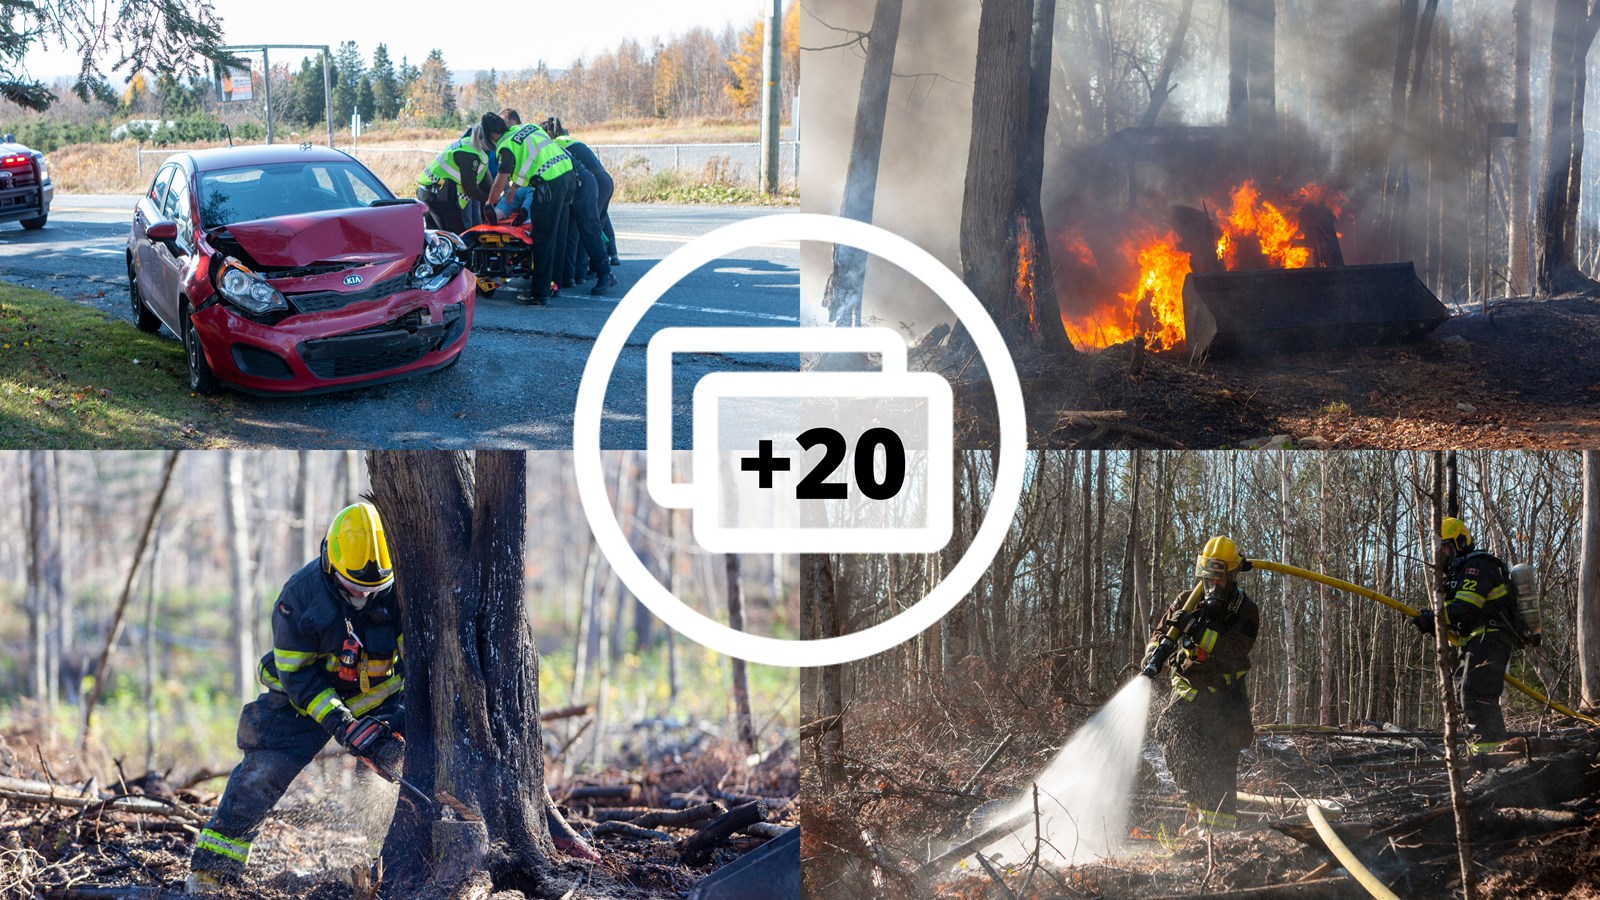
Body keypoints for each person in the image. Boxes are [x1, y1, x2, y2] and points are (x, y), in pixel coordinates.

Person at [187, 503, 406, 892]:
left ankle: (390, 865)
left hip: (377, 701)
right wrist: (341, 723)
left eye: (373, 591)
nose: (362, 597)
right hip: (302, 701)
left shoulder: (400, 591)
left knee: (395, 773)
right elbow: (296, 673)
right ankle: (212, 873)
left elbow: (417, 664)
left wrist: (394, 722)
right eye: (354, 588)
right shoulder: (300, 597)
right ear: (330, 563)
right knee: (261, 773)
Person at [1146, 536, 1260, 834]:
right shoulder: (1186, 601)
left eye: (1220, 578)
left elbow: (1235, 649)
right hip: (1187, 691)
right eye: (1208, 577)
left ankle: (1218, 836)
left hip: (1225, 698)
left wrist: (1197, 630)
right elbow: (1160, 635)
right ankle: (1195, 803)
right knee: (1171, 735)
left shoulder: (1245, 610)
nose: (1213, 585)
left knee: (1220, 762)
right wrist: (1153, 657)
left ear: (1233, 576)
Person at [1412, 517, 1517, 749]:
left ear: (1460, 542)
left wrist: (1433, 617)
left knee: (1476, 695)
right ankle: (1482, 754)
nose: (1444, 555)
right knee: (1466, 695)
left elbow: (1465, 608)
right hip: (1475, 641)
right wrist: (1433, 623)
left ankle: (1493, 759)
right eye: (1441, 550)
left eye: (1447, 548)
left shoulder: (1476, 566)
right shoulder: (1458, 573)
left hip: (1489, 637)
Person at [485, 118, 576, 305]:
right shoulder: (527, 127)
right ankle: (555, 284)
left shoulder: (506, 146)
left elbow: (499, 182)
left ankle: (540, 294)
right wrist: (515, 187)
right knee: (558, 234)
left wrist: (489, 203)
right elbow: (531, 159)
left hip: (548, 184)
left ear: (492, 135)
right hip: (567, 174)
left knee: (542, 238)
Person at [543, 117, 617, 295]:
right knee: (582, 227)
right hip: (603, 179)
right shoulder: (569, 139)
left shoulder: (555, 144)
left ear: (550, 134)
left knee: (587, 228)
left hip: (589, 181)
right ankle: (576, 274)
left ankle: (602, 273)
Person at [417, 113, 509, 234]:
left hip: (436, 193)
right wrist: (494, 200)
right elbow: (471, 190)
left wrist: (497, 198)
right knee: (456, 238)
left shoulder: (472, 147)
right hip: (437, 196)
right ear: (486, 139)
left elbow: (486, 185)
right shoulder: (469, 155)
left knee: (443, 238)